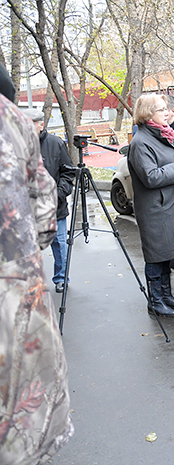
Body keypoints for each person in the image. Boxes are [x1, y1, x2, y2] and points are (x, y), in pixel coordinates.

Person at [0, 72, 73, 463]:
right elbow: (43, 206)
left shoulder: (49, 139)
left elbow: (57, 183)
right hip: (18, 289)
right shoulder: (17, 125)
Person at [128, 94, 174, 317]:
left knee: (167, 254)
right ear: (147, 114)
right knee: (156, 256)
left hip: (167, 206)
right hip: (155, 210)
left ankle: (166, 295)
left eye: (167, 109)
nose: (168, 113)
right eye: (162, 110)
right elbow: (151, 177)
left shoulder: (161, 136)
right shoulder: (141, 142)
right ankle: (155, 301)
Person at [25, 108, 75, 293]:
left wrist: (58, 194)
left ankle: (61, 278)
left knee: (60, 245)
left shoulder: (55, 143)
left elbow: (68, 172)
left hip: (55, 207)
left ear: (41, 125)